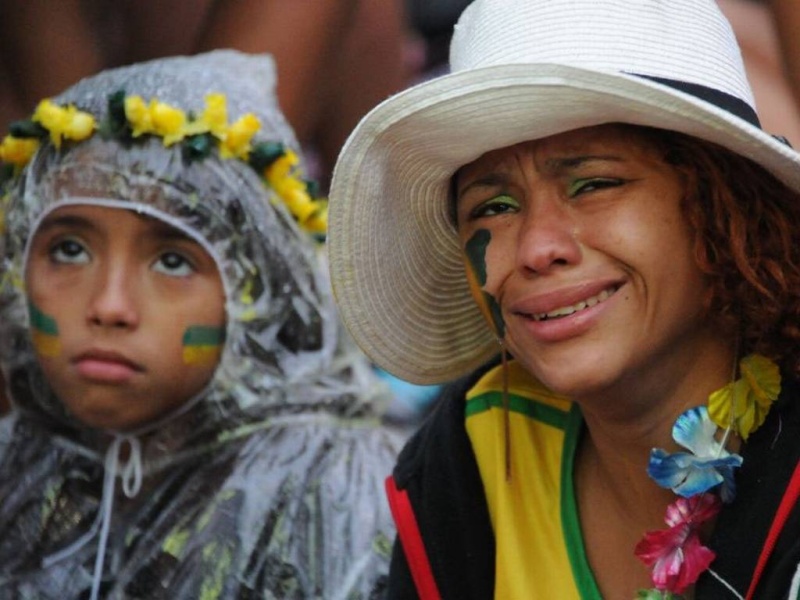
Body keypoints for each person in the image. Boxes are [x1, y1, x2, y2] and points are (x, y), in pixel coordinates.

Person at [327, 0, 800, 598]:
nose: (537, 248)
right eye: (493, 207)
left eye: (595, 184)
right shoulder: (470, 458)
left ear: (723, 209)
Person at [0, 50, 402, 599]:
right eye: (69, 250)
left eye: (172, 261)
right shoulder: (17, 467)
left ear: (257, 293)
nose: (109, 305)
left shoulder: (334, 495)